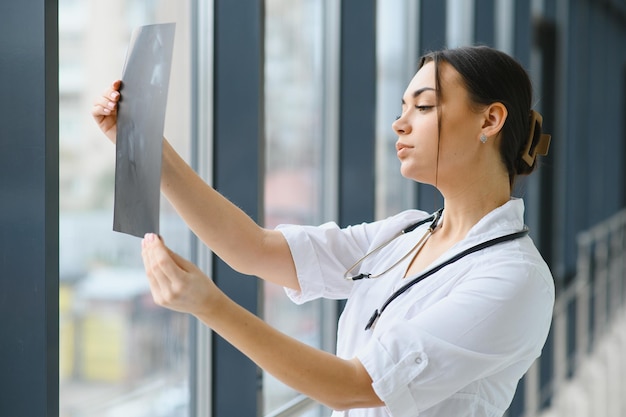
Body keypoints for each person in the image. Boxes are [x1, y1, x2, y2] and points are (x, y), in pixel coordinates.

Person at [92, 45, 554, 417]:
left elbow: (355, 386)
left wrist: (208, 305)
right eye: (402, 108)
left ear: (490, 120)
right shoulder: (406, 233)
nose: (400, 123)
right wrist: (146, 146)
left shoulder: (513, 278)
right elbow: (253, 249)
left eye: (425, 106)